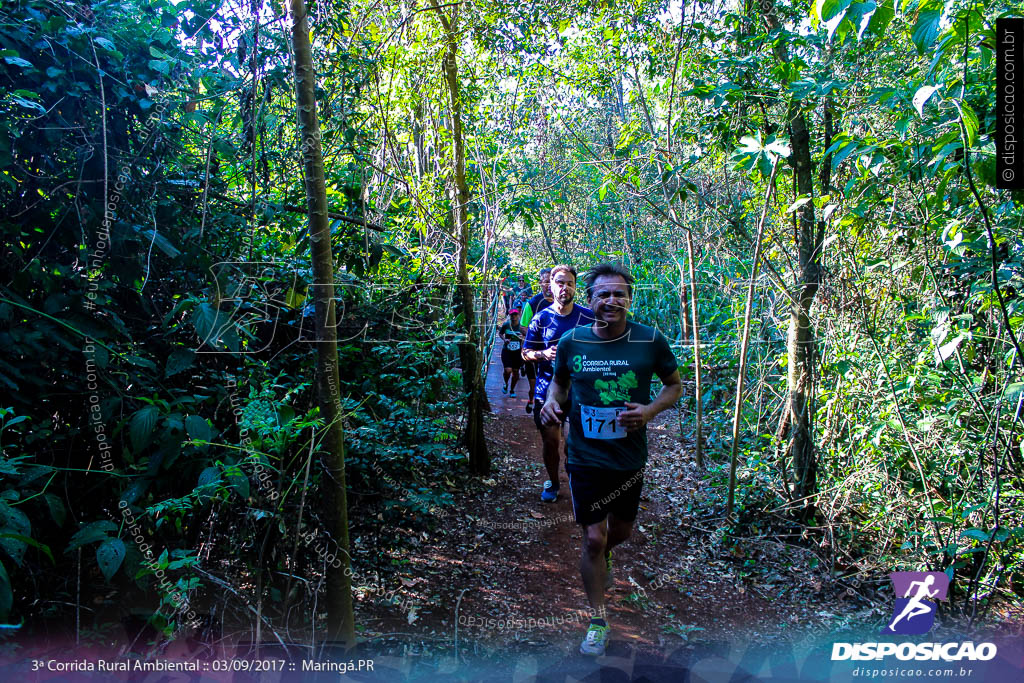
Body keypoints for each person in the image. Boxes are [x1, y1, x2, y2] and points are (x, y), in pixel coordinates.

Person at [539, 263, 682, 657]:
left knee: (619, 534)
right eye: (603, 294)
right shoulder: (572, 341)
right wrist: (552, 403)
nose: (611, 301)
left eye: (619, 294)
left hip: (628, 459)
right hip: (584, 456)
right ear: (591, 300)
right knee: (592, 537)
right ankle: (598, 619)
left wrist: (649, 411)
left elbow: (674, 386)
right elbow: (560, 381)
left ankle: (609, 553)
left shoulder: (650, 341)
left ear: (630, 300)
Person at [522, 265, 594, 504]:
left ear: (576, 288)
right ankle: (553, 482)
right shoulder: (541, 318)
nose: (565, 288)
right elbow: (525, 353)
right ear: (551, 286)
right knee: (551, 442)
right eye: (560, 283)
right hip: (546, 390)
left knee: (573, 445)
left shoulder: (588, 317)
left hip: (581, 392)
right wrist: (544, 355)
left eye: (570, 283)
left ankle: (575, 482)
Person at [519, 268, 553, 412]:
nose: (549, 285)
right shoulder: (533, 303)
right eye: (546, 282)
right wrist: (539, 339)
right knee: (535, 380)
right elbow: (523, 326)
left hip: (555, 352)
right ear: (541, 283)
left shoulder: (564, 302)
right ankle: (533, 400)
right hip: (536, 352)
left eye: (552, 281)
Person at [498, 308, 525, 397]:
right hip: (507, 350)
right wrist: (504, 339)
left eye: (515, 315)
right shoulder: (506, 325)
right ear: (509, 316)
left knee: (516, 372)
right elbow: (500, 333)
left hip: (517, 352)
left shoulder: (522, 326)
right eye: (512, 315)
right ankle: (506, 384)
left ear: (518, 315)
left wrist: (523, 338)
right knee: (508, 370)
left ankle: (512, 390)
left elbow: (528, 336)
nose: (514, 317)